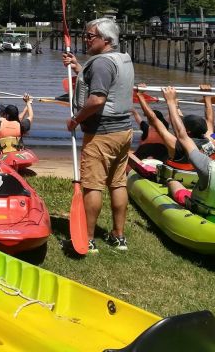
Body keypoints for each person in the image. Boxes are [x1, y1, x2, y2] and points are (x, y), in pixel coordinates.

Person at [63, 17, 134, 254]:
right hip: (124, 131)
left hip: (102, 134)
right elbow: (105, 81)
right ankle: (118, 236)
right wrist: (78, 67)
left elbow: (97, 99)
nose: (85, 38)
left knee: (92, 186)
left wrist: (76, 119)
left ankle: (89, 238)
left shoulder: (101, 64)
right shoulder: (122, 58)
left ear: (106, 40)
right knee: (117, 183)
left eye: (90, 35)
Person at [163, 88, 215, 217]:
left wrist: (170, 102)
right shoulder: (209, 161)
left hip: (202, 209)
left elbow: (182, 136)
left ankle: (170, 181)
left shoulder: (207, 166)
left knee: (173, 182)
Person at [135, 82, 215, 169]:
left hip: (179, 179)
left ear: (187, 131)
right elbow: (210, 119)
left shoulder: (176, 145)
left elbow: (154, 119)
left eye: (183, 124)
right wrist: (207, 96)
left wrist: (140, 95)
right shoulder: (210, 141)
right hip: (197, 176)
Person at [0, 87, 33, 153]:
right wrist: (28, 102)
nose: (1, 113)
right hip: (15, 151)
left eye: (2, 112)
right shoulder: (20, 124)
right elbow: (30, 116)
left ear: (6, 115)